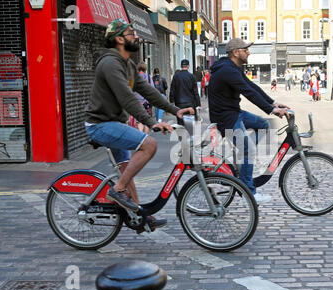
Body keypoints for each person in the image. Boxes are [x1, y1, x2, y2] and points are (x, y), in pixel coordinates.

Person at [84, 18, 194, 231]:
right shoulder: (110, 63)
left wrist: (175, 110)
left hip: (113, 122)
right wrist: (152, 123)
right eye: (132, 33)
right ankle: (117, 191)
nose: (136, 36)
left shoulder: (127, 64)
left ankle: (139, 216)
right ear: (119, 39)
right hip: (100, 124)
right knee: (149, 145)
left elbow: (148, 92)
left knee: (127, 170)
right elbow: (127, 98)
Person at [208, 38, 290, 203]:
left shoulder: (233, 68)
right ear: (236, 52)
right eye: (246, 50)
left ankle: (243, 154)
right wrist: (271, 110)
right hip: (226, 118)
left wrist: (272, 102)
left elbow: (252, 86)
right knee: (248, 151)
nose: (249, 52)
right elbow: (248, 92)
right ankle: (249, 192)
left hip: (233, 112)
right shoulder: (227, 70)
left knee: (263, 125)